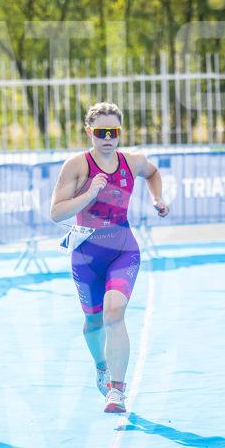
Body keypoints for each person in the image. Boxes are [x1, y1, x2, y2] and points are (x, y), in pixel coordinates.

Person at [50, 102, 169, 413]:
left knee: (114, 313)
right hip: (86, 256)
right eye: (100, 132)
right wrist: (90, 193)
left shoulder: (132, 162)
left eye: (113, 132)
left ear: (120, 132)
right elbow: (56, 213)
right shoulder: (77, 166)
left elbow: (153, 173)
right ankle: (101, 366)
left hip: (123, 250)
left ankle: (116, 391)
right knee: (93, 323)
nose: (107, 138)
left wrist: (157, 198)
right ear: (89, 132)